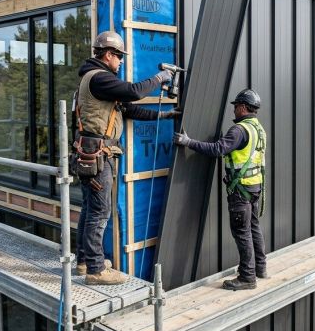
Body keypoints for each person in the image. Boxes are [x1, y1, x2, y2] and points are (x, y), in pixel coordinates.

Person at [75, 30, 179, 284]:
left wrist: (162, 116)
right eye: (119, 57)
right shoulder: (99, 78)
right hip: (98, 154)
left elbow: (129, 109)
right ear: (108, 55)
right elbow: (134, 91)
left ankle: (84, 261)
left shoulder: (99, 82)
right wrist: (161, 77)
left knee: (90, 209)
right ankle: (96, 270)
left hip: (91, 152)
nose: (120, 61)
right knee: (100, 211)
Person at [173, 89, 267, 290]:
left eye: (235, 106)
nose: (233, 110)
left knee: (242, 231)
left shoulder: (240, 130)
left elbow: (217, 149)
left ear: (242, 107)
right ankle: (260, 267)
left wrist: (188, 142)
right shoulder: (258, 129)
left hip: (240, 189)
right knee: (253, 227)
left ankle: (247, 277)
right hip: (254, 187)